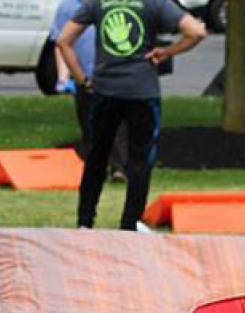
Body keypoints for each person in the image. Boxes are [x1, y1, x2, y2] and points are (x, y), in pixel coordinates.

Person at [57, 0, 206, 230]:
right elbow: (196, 31)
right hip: (142, 92)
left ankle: (85, 222)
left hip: (104, 91)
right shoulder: (156, 3)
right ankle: (130, 224)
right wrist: (167, 52)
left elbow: (63, 40)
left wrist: (82, 80)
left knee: (96, 157)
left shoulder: (97, 2)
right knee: (140, 161)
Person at [50, 0, 127, 176]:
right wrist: (63, 77)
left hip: (113, 74)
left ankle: (119, 167)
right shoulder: (68, 7)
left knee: (116, 121)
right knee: (89, 124)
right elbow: (60, 44)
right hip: (83, 75)